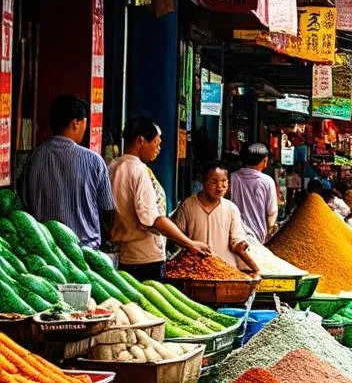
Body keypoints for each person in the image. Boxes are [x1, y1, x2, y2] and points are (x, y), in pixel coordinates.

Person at [108, 116, 210, 281]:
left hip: (123, 254)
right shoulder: (138, 170)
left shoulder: (113, 166)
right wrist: (189, 243)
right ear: (141, 141)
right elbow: (152, 219)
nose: (159, 148)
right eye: (156, 143)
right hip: (144, 259)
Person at [20, 94, 114, 248]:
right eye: (85, 123)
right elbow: (108, 210)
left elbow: (25, 202)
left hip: (46, 251)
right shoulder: (93, 160)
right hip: (86, 252)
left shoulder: (34, 157)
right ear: (75, 123)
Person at [173, 161, 260, 276]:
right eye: (214, 182)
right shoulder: (187, 205)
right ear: (203, 181)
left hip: (225, 271)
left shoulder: (231, 208)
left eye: (224, 182)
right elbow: (177, 238)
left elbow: (237, 240)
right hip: (195, 272)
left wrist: (253, 264)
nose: (220, 188)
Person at [229, 142, 279, 243]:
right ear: (265, 161)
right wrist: (270, 230)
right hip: (259, 234)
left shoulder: (232, 177)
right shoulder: (267, 181)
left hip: (235, 233)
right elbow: (272, 212)